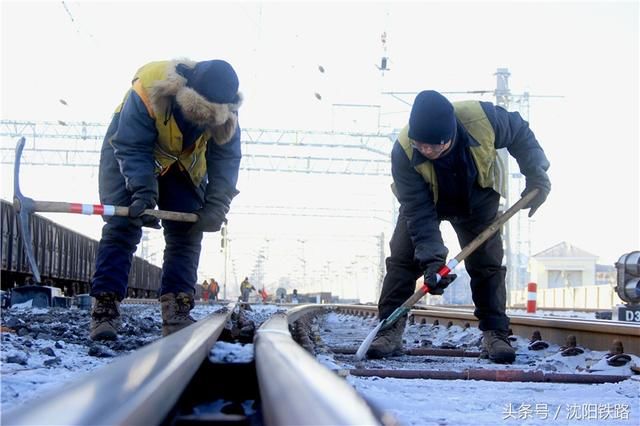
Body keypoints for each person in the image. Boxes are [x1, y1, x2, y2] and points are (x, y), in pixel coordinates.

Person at [368, 90, 550, 363]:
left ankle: (495, 333)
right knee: (403, 259)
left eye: (434, 146)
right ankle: (389, 329)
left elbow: (521, 133)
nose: (427, 151)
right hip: (427, 199)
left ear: (450, 134)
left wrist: (536, 174)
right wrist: (433, 262)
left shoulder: (484, 119)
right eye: (421, 145)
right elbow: (418, 211)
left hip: (478, 195)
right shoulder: (404, 151)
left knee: (486, 264)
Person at [89, 59, 242, 340]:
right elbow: (132, 144)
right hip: (128, 153)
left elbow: (226, 160)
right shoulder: (149, 87)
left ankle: (177, 310)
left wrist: (217, 204)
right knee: (122, 225)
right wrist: (142, 191)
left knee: (187, 232)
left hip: (183, 165)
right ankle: (105, 308)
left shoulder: (227, 111)